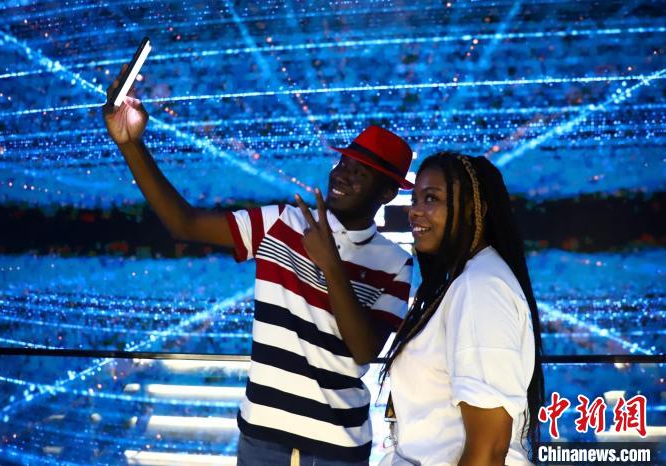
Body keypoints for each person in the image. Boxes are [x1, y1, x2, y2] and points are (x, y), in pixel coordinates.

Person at [102, 66, 414, 465]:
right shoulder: (282, 222)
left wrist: (331, 266)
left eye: (361, 172)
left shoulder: (395, 262)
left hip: (337, 447)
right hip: (261, 437)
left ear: (387, 193)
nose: (343, 175)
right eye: (344, 163)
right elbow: (185, 224)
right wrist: (131, 145)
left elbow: (365, 349)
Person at [381, 152, 545, 466]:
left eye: (431, 198)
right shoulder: (467, 281)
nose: (415, 211)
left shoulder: (480, 287)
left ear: (474, 209)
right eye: (414, 200)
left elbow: (489, 448)